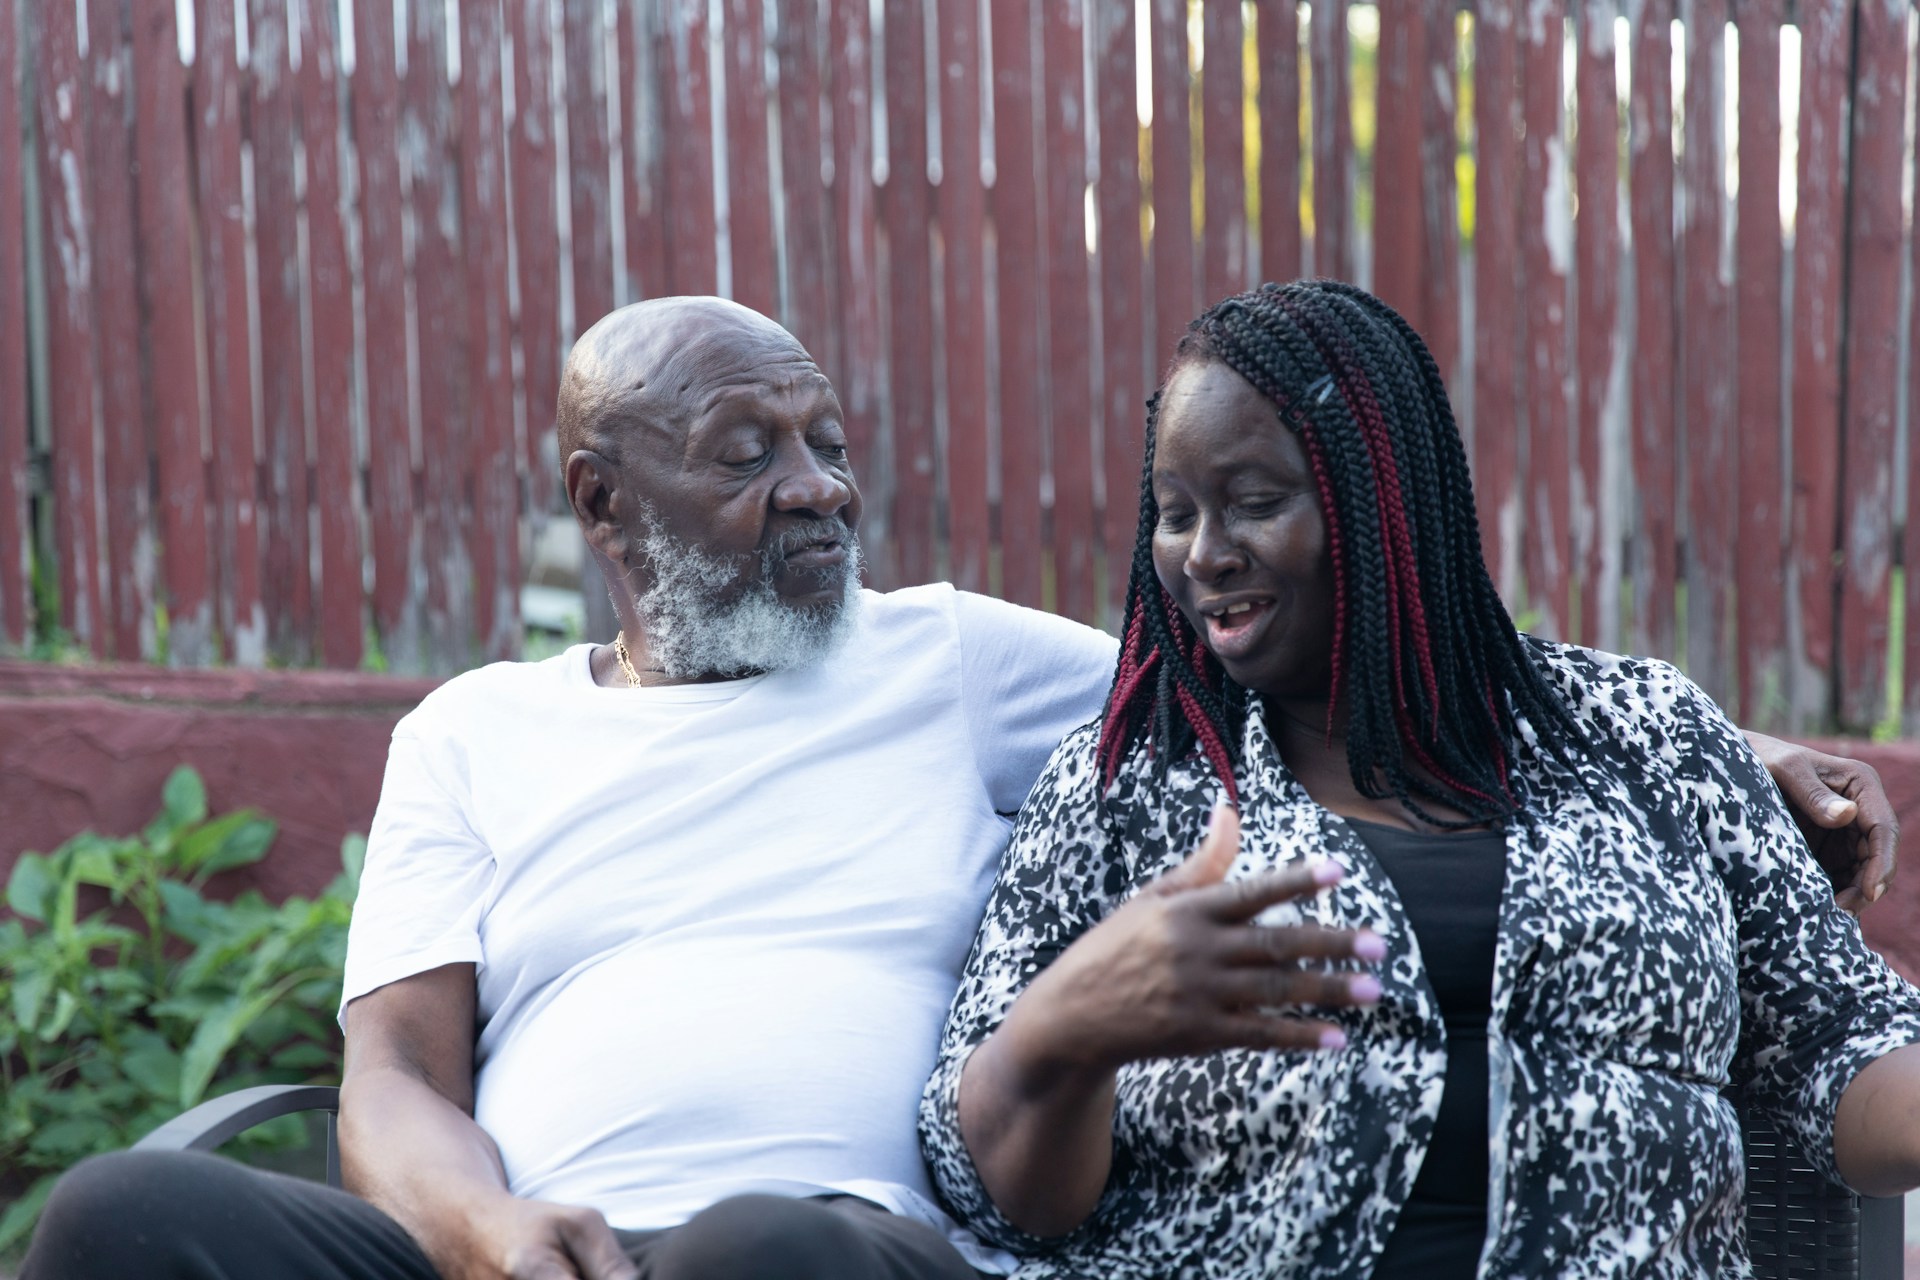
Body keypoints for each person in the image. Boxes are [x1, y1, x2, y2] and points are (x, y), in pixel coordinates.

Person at [20, 296, 1899, 1280]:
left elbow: (1352, 671)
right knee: (120, 1222)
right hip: (534, 1254)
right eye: (750, 453)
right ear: (606, 504)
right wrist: (497, 1235)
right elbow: (395, 1084)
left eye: (832, 441)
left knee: (763, 1247)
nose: (822, 488)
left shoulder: (958, 660)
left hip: (831, 1250)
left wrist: (1722, 749)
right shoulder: (471, 735)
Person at [918, 280, 1920, 1279]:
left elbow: (1847, 1042)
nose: (1205, 554)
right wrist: (1072, 1028)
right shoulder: (1128, 784)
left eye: (1254, 502)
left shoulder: (1648, 733)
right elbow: (993, 1191)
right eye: (1175, 514)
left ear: (1384, 496)